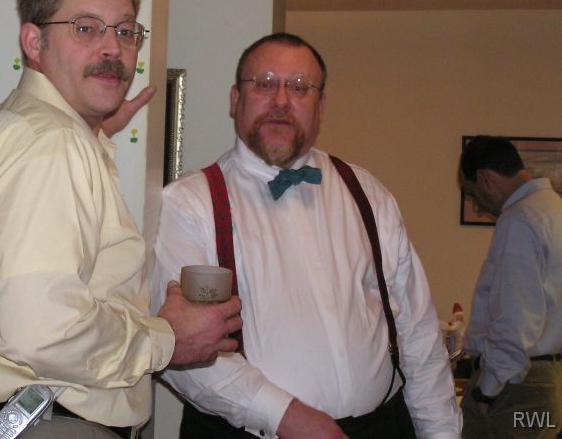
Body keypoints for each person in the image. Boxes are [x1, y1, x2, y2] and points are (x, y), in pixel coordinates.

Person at [0, 0, 242, 439]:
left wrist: (96, 131)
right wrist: (168, 340)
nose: (113, 49)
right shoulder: (50, 146)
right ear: (34, 42)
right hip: (56, 427)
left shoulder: (31, 131)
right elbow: (43, 330)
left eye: (126, 31)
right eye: (86, 28)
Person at [152, 33, 461, 439]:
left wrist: (441, 433)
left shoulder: (367, 192)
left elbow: (418, 334)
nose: (281, 100)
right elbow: (186, 349)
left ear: (321, 107)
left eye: (300, 87)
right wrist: (286, 416)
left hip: (383, 426)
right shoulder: (190, 203)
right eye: (264, 83)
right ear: (235, 100)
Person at [458, 135, 562, 438]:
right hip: (548, 384)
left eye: (473, 194)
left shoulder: (520, 219)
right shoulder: (554, 209)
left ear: (486, 179)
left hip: (517, 387)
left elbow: (516, 316)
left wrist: (486, 391)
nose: (478, 207)